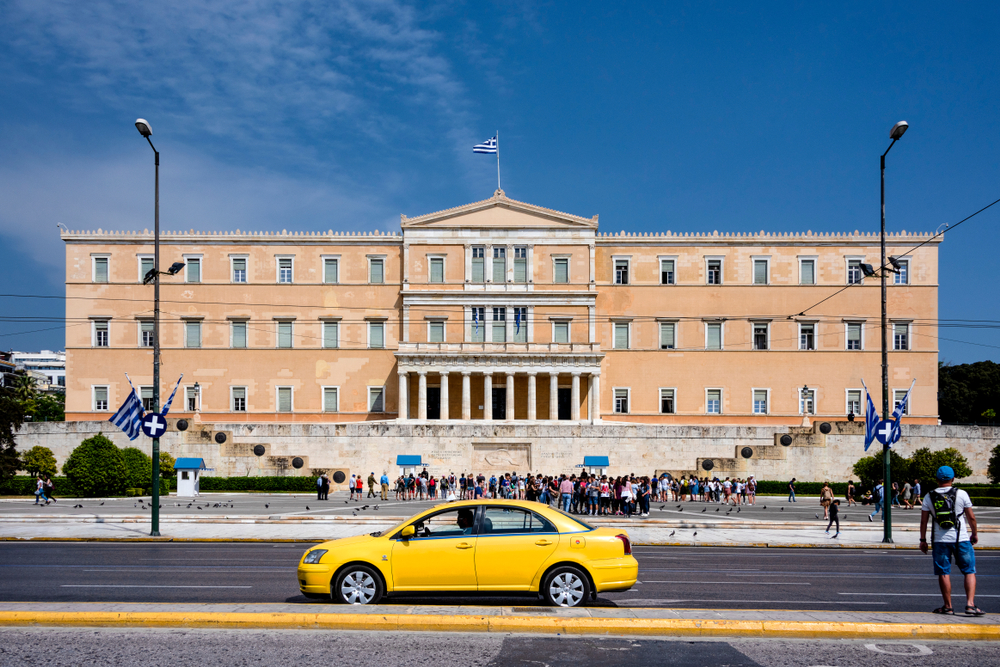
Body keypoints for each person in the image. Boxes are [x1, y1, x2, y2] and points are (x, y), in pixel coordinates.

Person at [920, 466, 984, 616]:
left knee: (944, 572)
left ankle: (948, 606)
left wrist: (923, 540)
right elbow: (971, 517)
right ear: (953, 479)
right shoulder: (961, 494)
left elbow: (923, 521)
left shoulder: (929, 496)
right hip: (961, 538)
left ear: (936, 479)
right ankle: (970, 605)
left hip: (939, 540)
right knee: (969, 571)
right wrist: (974, 533)